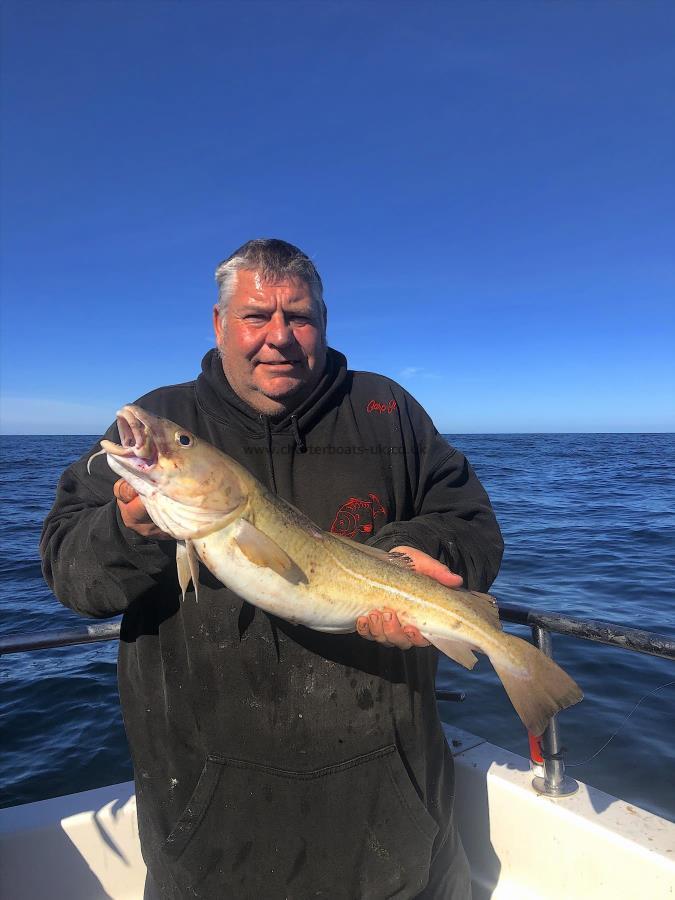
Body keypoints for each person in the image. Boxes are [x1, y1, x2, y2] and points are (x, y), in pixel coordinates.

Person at [41, 239, 503, 900]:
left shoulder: (387, 411)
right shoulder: (169, 421)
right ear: (219, 324)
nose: (278, 338)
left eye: (301, 317)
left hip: (393, 813)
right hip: (209, 828)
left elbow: (472, 525)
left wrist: (411, 555)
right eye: (257, 317)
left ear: (323, 321)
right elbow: (69, 574)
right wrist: (129, 530)